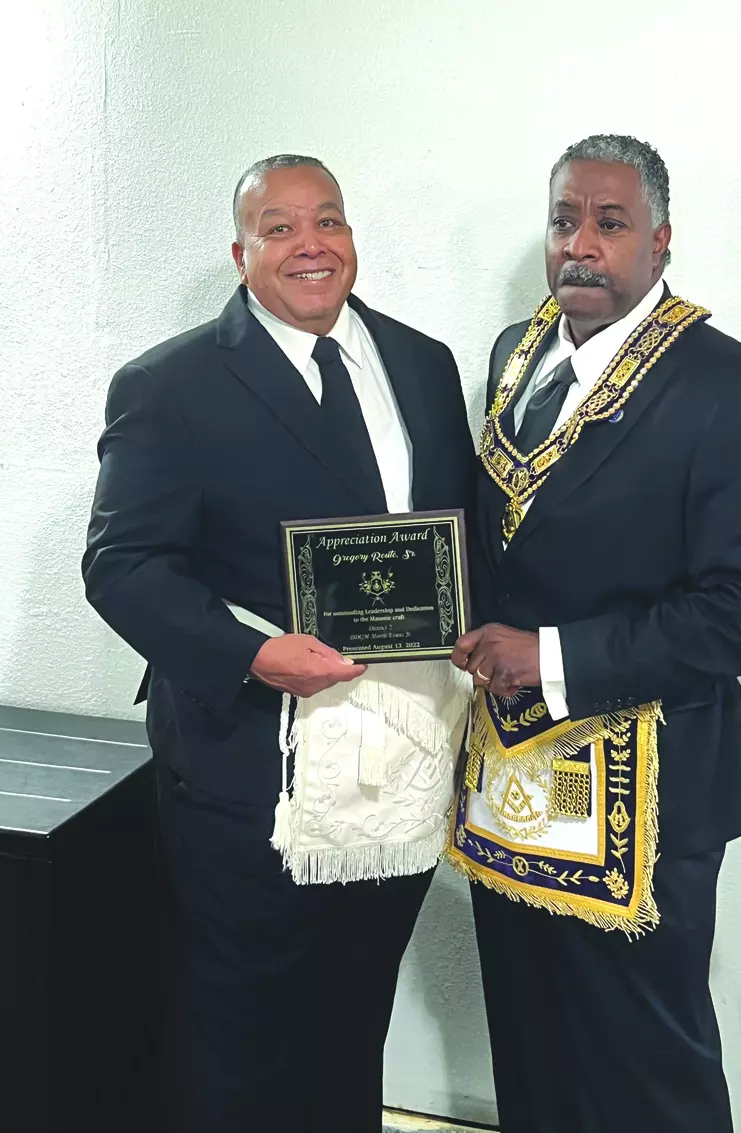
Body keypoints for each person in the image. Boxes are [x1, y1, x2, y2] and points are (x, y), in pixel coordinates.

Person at [83, 153, 475, 1132]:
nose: (310, 245)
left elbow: (459, 537)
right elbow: (122, 565)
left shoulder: (423, 363)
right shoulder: (167, 385)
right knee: (242, 1030)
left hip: (402, 755)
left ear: (351, 237)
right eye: (280, 227)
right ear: (241, 253)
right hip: (250, 760)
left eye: (328, 221)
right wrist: (252, 656)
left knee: (354, 1012)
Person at [449, 135, 741, 1133]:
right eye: (564, 220)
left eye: (609, 223)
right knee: (530, 1049)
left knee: (646, 1075)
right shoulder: (513, 354)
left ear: (660, 238)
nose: (580, 245)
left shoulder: (729, 385)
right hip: (513, 782)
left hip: (647, 791)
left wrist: (551, 654)